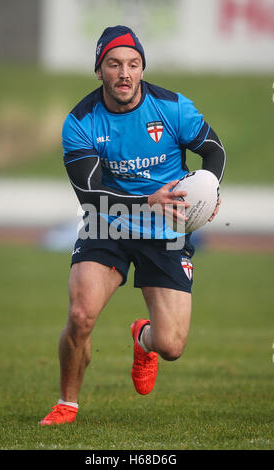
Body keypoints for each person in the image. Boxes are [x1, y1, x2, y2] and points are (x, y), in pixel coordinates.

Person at [40, 25, 226, 425]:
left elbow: (213, 149)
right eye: (114, 64)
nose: (124, 73)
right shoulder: (81, 121)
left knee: (171, 345)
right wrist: (147, 199)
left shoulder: (172, 107)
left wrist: (209, 189)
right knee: (81, 315)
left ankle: (143, 337)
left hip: (167, 231)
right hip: (107, 224)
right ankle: (66, 404)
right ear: (99, 70)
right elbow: (90, 194)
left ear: (142, 69)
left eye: (133, 64)